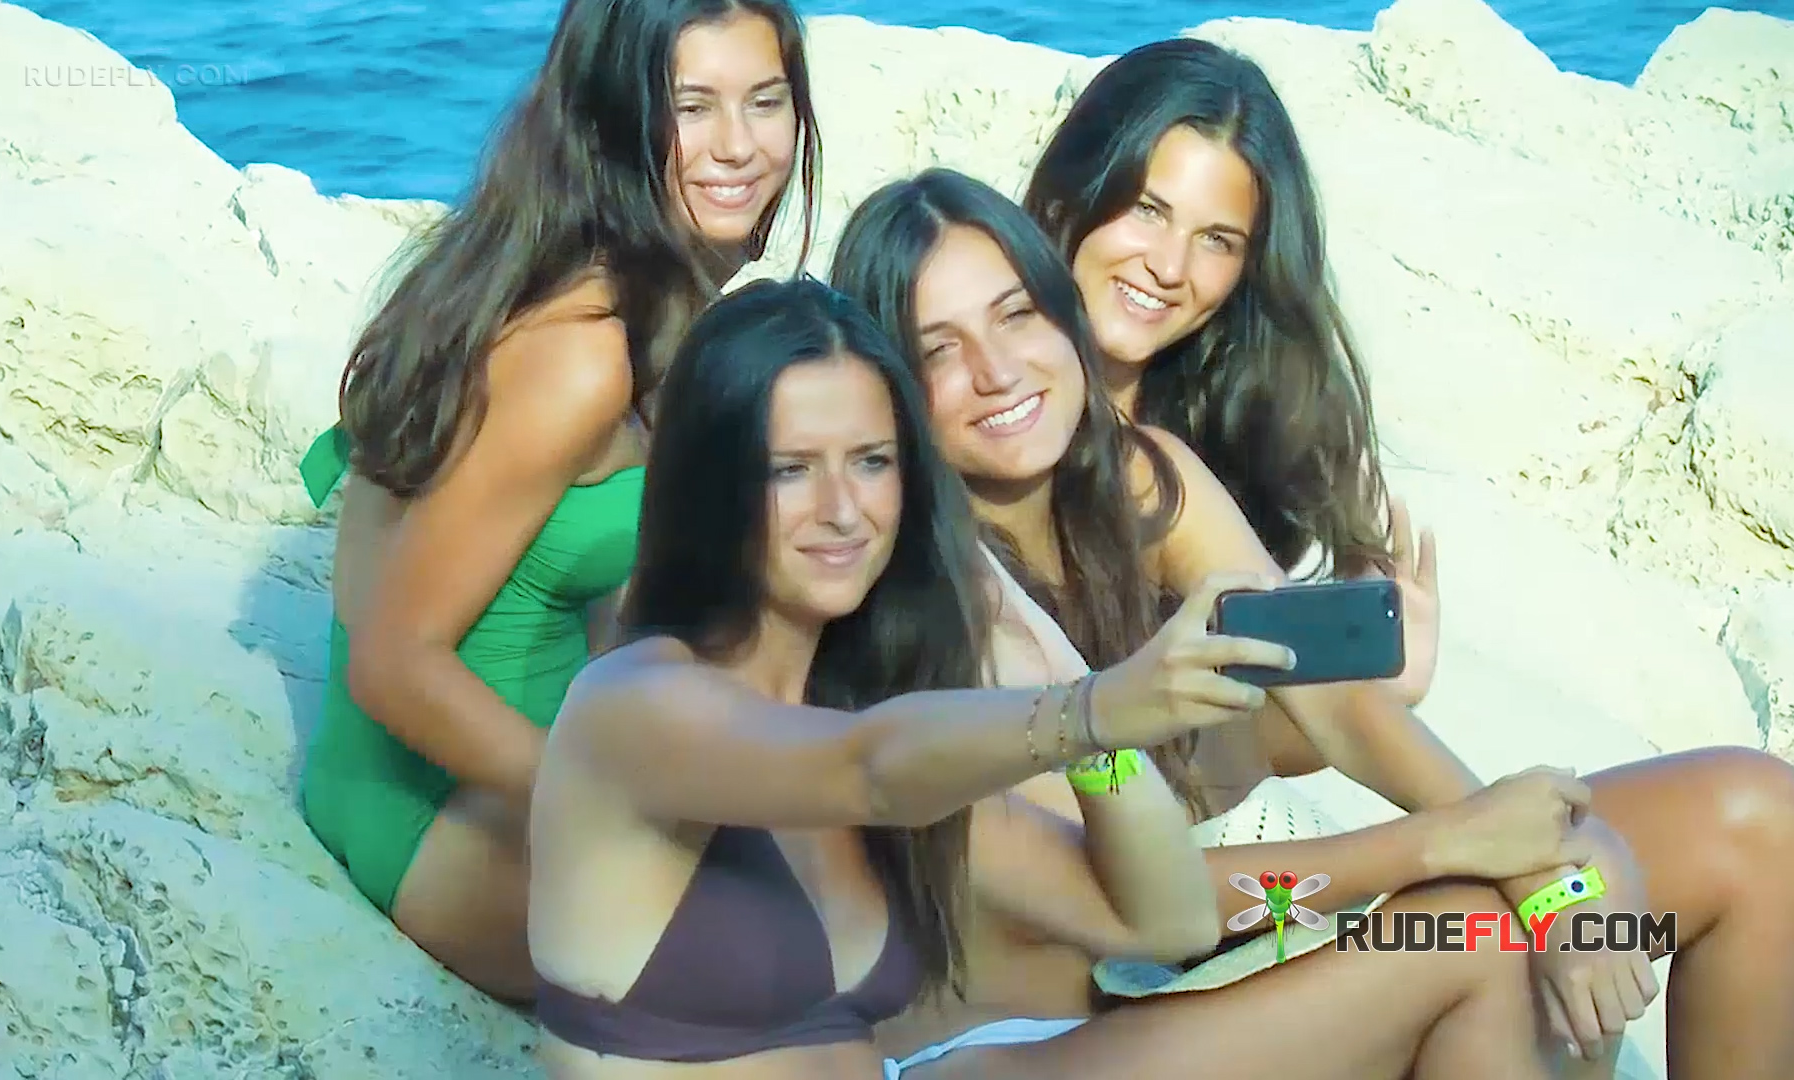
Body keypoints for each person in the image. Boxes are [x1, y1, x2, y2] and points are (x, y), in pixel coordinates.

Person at [829, 165, 1794, 1080]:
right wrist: (1460, 849)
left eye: (1016, 317)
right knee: (1475, 936)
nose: (998, 369)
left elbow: (1337, 702)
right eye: (939, 351)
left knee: (1754, 814)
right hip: (1035, 1039)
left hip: (1203, 977)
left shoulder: (1139, 475)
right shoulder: (928, 594)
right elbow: (1132, 906)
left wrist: (1550, 858)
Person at [527, 275, 1318, 1079]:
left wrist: (1083, 718)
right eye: (790, 469)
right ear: (710, 488)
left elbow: (1162, 922)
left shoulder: (866, 719)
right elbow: (864, 769)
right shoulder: (632, 705)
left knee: (1452, 942)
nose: (843, 509)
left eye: (872, 462)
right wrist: (1090, 707)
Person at [291, 0, 822, 1001]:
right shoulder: (580, 349)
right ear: (616, 115)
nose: (740, 147)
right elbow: (393, 663)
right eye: (691, 107)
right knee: (864, 939)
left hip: (508, 762)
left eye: (766, 101)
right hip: (444, 807)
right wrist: (612, 804)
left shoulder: (585, 263)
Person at [1022, 37, 1443, 708]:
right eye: (1147, 210)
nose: (1169, 266)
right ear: (1072, 195)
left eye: (1216, 240)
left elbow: (1216, 756)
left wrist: (1375, 684)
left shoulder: (1208, 435)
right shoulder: (998, 422)